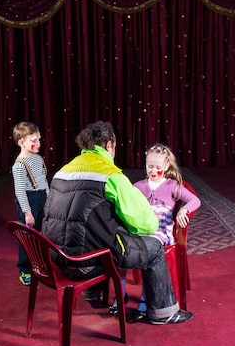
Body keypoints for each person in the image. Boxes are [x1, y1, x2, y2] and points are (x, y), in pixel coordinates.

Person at [42, 121, 193, 325]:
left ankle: (92, 292)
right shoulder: (111, 176)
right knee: (154, 247)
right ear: (109, 145)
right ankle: (164, 313)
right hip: (91, 263)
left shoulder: (63, 171)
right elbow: (147, 224)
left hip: (58, 259)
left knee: (86, 229)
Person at [130, 142, 201, 320]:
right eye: (149, 166)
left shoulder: (171, 186)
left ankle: (144, 302)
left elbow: (195, 200)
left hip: (161, 231)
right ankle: (132, 299)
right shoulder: (138, 186)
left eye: (158, 167)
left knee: (148, 250)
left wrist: (184, 210)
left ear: (167, 166)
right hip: (143, 229)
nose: (153, 171)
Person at [11, 121, 49, 286]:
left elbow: (43, 181)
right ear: (21, 142)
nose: (38, 143)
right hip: (28, 200)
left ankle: (41, 264)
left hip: (41, 198)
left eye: (39, 139)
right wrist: (27, 212)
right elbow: (19, 191)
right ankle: (25, 269)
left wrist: (48, 200)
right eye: (34, 140)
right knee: (27, 236)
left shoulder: (38, 159)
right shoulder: (19, 165)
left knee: (43, 234)